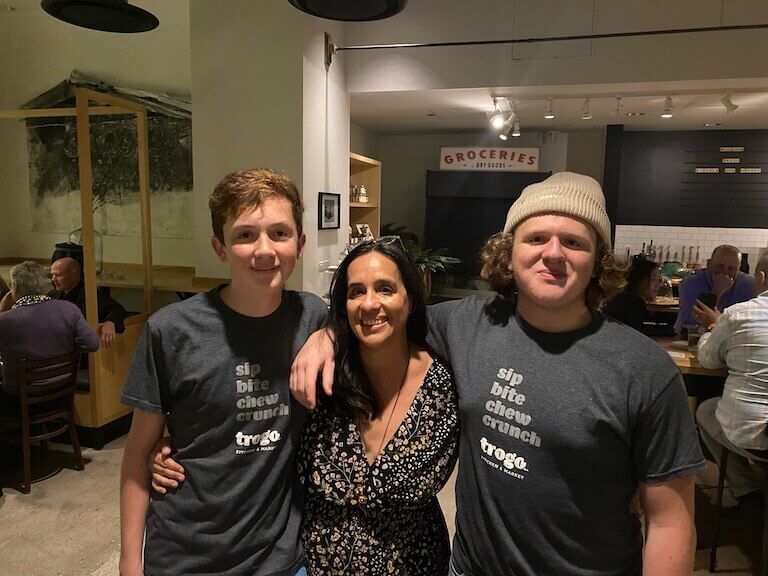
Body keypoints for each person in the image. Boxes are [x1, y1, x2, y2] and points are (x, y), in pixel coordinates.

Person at [292, 172, 704, 576]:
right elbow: (385, 316)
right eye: (537, 238)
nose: (554, 253)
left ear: (598, 260)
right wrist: (327, 335)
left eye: (574, 242)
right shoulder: (467, 323)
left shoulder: (644, 369)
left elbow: (670, 522)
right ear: (509, 253)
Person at [119, 169, 326, 576]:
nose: (264, 250)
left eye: (280, 233)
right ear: (220, 247)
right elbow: (138, 454)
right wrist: (129, 560)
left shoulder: (314, 316)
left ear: (299, 244)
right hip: (186, 554)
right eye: (245, 235)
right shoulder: (171, 330)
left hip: (282, 558)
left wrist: (330, 336)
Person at [298, 238, 459, 574]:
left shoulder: (444, 386)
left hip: (417, 564)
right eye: (356, 291)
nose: (369, 304)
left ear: (410, 300)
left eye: (385, 289)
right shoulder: (321, 377)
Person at [694, 253, 768, 500]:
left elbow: (707, 359)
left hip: (753, 435)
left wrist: (714, 326)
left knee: (706, 411)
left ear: (761, 278)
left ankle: (746, 490)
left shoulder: (740, 314)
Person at [0, 261, 98, 403]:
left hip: (20, 400)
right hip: (62, 393)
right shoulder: (69, 309)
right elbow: (93, 344)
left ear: (14, 288)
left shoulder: (6, 320)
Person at [675, 244, 756, 334]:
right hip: (691, 339)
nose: (725, 272)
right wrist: (717, 291)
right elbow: (691, 322)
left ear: (738, 269)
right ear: (709, 264)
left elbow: (751, 323)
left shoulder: (749, 284)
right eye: (720, 266)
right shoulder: (691, 282)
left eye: (731, 268)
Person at [50, 256, 127, 348]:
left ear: (74, 274)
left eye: (58, 275)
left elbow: (117, 309)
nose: (53, 279)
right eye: (52, 275)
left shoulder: (89, 294)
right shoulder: (52, 296)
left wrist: (110, 322)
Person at [603, 256, 674, 336]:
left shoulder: (620, 298)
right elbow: (636, 333)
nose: (658, 285)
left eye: (659, 279)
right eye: (652, 279)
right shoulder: (631, 303)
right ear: (638, 280)